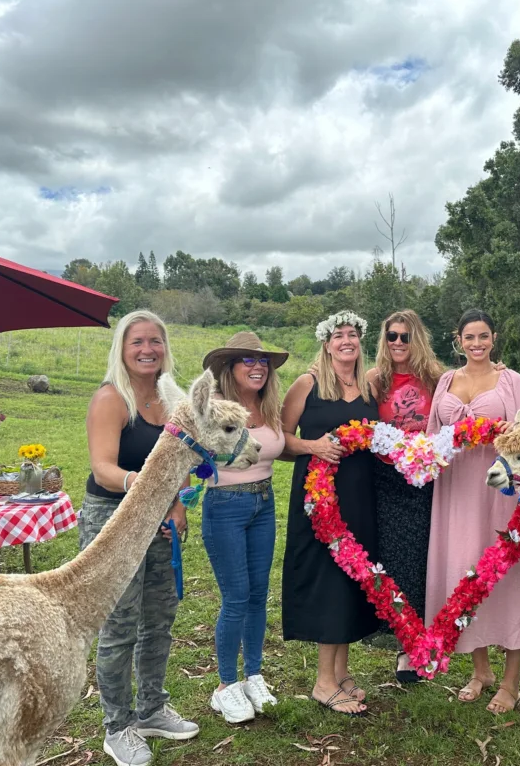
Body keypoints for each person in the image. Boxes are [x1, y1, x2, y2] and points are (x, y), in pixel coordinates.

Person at [80, 310, 197, 766]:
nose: (148, 349)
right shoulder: (112, 399)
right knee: (119, 626)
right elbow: (103, 469)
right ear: (122, 351)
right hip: (113, 518)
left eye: (156, 341)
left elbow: (180, 465)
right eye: (137, 342)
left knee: (159, 616)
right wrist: (147, 489)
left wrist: (175, 503)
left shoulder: (173, 400)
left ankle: (151, 709)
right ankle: (118, 727)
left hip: (158, 516)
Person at [425, 308, 520, 714]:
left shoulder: (510, 381)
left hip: (500, 490)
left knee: (506, 576)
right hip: (457, 489)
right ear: (458, 339)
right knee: (464, 571)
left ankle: (511, 682)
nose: (476, 344)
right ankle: (481, 670)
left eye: (483, 336)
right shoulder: (446, 380)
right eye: (469, 337)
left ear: (493, 338)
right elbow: (433, 438)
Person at [280, 310, 380, 716]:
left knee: (353, 579)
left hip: (361, 496)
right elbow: (280, 440)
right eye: (338, 335)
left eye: (352, 334)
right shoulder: (307, 384)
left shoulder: (371, 384)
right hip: (319, 501)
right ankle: (323, 682)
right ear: (326, 343)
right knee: (329, 583)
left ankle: (341, 671)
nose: (346, 341)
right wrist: (313, 447)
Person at [200, 331, 289, 723]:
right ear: (229, 368)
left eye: (262, 362)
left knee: (257, 594)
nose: (257, 367)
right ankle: (225, 686)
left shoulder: (268, 407)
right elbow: (187, 451)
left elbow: (281, 448)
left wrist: (319, 445)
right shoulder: (215, 408)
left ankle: (253, 674)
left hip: (263, 503)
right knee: (236, 596)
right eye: (247, 361)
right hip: (225, 505)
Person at [366, 309, 444, 684]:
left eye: (405, 336)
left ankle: (419, 644)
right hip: (384, 477)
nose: (398, 343)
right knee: (393, 561)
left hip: (424, 479)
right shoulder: (374, 380)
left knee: (420, 559)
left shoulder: (437, 377)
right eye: (392, 336)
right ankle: (403, 644)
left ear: (417, 339)